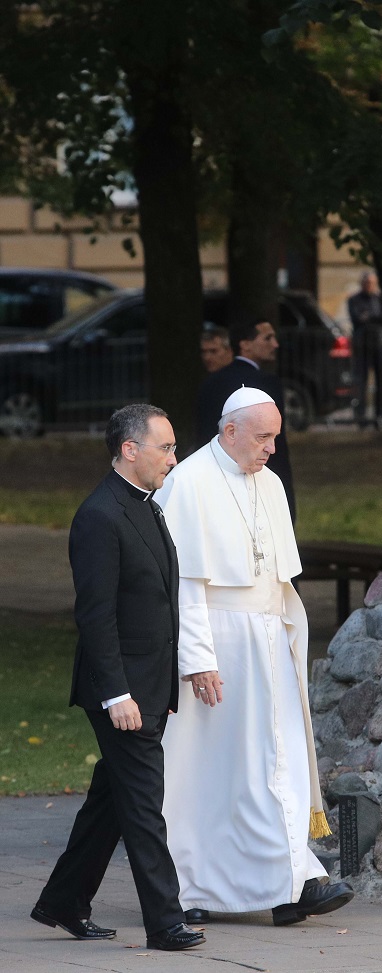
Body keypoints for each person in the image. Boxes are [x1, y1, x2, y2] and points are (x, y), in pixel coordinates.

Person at [156, 387, 353, 926]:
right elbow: (183, 585)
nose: (272, 449)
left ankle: (291, 882)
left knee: (278, 762)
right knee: (213, 773)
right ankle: (196, 887)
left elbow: (278, 578)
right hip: (219, 647)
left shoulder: (268, 482)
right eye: (263, 437)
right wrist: (197, 659)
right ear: (230, 431)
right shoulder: (190, 481)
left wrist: (291, 640)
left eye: (275, 437)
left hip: (268, 642)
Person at [30, 404, 205, 952]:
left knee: (111, 801)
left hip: (149, 684)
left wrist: (164, 683)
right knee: (144, 806)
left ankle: (62, 901)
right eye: (166, 447)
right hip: (121, 690)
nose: (174, 458)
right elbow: (96, 616)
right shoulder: (99, 515)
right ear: (130, 449)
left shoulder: (147, 507)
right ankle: (165, 922)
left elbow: (155, 602)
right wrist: (117, 694)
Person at [195, 317, 296, 521]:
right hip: (260, 480)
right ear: (245, 344)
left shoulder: (210, 383)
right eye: (267, 338)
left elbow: (203, 437)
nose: (275, 345)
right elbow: (276, 447)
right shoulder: (266, 383)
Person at [346, 270, 382, 426]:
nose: (369, 286)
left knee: (381, 382)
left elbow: (381, 317)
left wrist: (368, 317)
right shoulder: (354, 299)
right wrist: (372, 317)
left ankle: (380, 416)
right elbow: (357, 318)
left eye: (372, 283)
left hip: (379, 345)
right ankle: (361, 418)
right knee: (360, 382)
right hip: (361, 345)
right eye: (367, 283)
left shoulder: (379, 299)